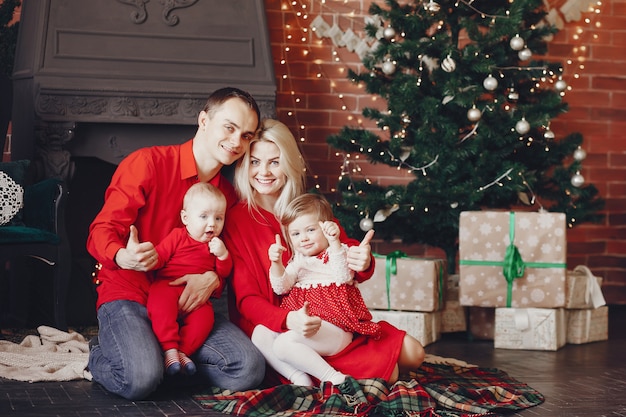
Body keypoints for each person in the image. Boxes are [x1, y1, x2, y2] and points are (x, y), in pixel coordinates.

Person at [86, 87, 266, 400]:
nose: (237, 142)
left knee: (247, 369)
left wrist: (213, 278)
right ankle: (104, 357)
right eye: (230, 127)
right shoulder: (147, 163)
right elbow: (101, 229)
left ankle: (165, 358)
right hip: (130, 292)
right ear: (204, 120)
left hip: (187, 306)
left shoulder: (228, 196)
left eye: (247, 135)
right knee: (140, 379)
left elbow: (226, 262)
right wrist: (122, 255)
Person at [222, 118, 425, 387]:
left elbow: (342, 245)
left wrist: (362, 261)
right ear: (243, 165)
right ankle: (317, 374)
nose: (264, 172)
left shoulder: (303, 206)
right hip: (276, 328)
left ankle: (347, 362)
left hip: (330, 318)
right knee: (391, 373)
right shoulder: (236, 220)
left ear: (289, 164)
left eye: (274, 161)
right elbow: (246, 300)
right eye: (255, 162)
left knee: (415, 354)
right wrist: (288, 320)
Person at [261, 193, 382, 386]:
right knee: (260, 333)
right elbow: (280, 287)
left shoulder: (338, 252)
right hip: (307, 327)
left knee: (283, 344)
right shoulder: (298, 260)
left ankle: (333, 377)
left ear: (326, 228)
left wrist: (334, 242)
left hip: (335, 329)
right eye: (296, 234)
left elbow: (343, 275)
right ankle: (299, 378)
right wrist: (275, 263)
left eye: (310, 230)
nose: (304, 239)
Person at [147, 183, 232, 377]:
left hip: (199, 298)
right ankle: (169, 348)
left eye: (218, 218)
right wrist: (149, 257)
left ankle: (183, 352)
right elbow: (160, 256)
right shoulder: (178, 236)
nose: (212, 224)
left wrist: (223, 255)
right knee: (160, 306)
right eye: (204, 217)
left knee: (205, 319)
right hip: (169, 284)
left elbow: (223, 273)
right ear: (185, 218)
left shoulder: (216, 245)